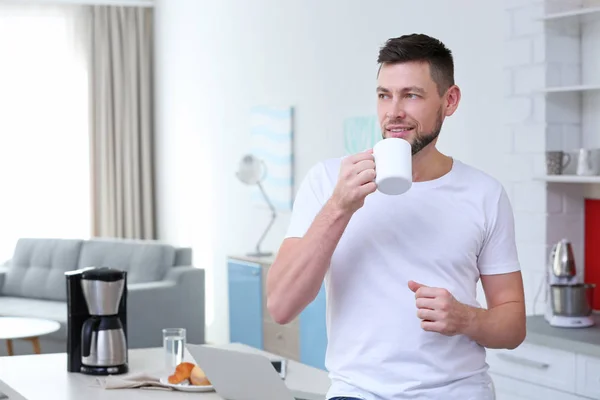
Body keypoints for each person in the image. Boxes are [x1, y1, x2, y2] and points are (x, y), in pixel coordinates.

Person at [266, 33, 526, 400]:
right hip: (357, 393)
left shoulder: (485, 193)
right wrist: (339, 207)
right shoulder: (329, 181)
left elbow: (513, 325)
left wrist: (466, 318)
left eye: (412, 95)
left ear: (449, 100)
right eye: (384, 95)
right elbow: (281, 306)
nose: (393, 112)